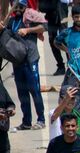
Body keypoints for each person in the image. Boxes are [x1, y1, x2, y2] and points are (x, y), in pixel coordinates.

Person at [2, 0, 46, 130]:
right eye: (16, 7)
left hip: (30, 59)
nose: (18, 9)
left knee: (35, 90)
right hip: (17, 61)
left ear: (25, 6)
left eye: (20, 7)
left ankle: (41, 119)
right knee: (22, 93)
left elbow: (44, 26)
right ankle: (26, 121)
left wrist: (28, 30)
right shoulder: (12, 21)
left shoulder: (31, 16)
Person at [39, 0, 67, 75]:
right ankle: (60, 66)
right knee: (52, 41)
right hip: (51, 14)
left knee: (65, 39)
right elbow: (41, 7)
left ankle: (72, 66)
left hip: (61, 10)